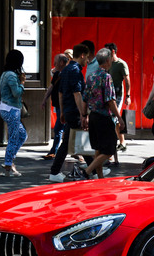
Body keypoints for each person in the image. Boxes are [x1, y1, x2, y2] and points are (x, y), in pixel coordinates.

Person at [74, 47, 125, 179]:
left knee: (98, 148)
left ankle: (100, 177)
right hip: (104, 117)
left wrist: (84, 115)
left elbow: (85, 98)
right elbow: (110, 100)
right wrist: (119, 118)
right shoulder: (106, 77)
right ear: (108, 61)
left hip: (93, 116)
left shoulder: (91, 77)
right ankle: (87, 172)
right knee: (109, 149)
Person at [49, 43, 90, 182]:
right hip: (74, 111)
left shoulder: (65, 70)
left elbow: (60, 93)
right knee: (76, 140)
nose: (87, 61)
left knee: (75, 140)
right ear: (82, 55)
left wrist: (61, 112)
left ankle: (94, 169)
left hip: (67, 110)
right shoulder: (75, 71)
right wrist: (83, 114)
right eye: (87, 57)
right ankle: (94, 170)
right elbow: (77, 94)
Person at [0, 50, 28, 175]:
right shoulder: (11, 75)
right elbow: (16, 93)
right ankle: (8, 164)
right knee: (14, 137)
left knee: (22, 135)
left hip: (6, 107)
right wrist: (22, 83)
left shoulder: (5, 74)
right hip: (12, 109)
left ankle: (10, 160)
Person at [41, 53, 69, 159]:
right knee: (60, 129)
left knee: (59, 128)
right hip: (58, 106)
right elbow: (51, 87)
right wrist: (44, 99)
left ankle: (56, 151)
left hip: (65, 107)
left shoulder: (67, 74)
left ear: (61, 62)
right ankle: (56, 151)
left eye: (55, 62)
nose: (54, 64)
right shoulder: (57, 74)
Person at [106, 42, 130, 155]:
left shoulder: (121, 64)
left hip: (118, 95)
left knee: (114, 117)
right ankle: (122, 141)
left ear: (113, 51)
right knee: (113, 118)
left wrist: (128, 95)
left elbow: (127, 80)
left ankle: (118, 142)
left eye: (107, 51)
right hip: (108, 95)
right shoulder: (107, 64)